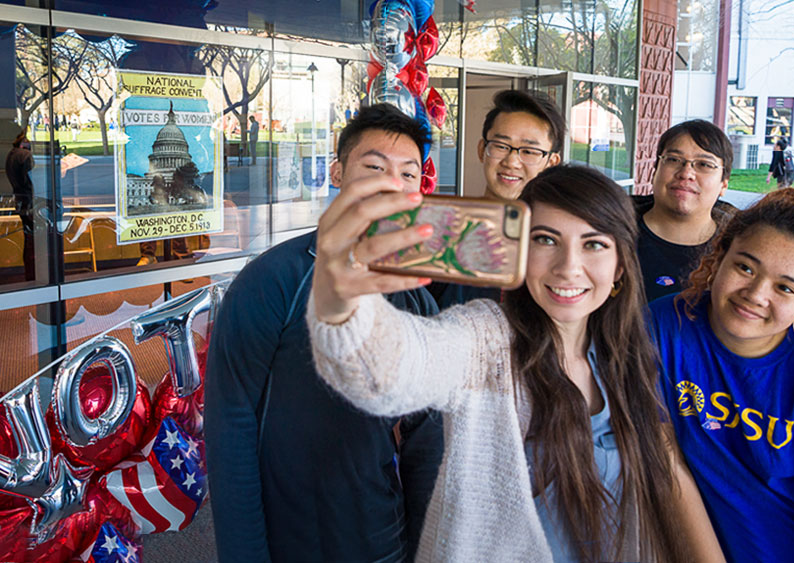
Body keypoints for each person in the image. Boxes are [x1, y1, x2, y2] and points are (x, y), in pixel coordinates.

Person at [307, 164, 723, 562]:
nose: (568, 267)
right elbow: (388, 370)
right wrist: (339, 301)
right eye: (546, 240)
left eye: (593, 244)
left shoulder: (627, 355)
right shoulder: (486, 340)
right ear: (519, 253)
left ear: (619, 268)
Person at [204, 104, 444, 562]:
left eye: (408, 174)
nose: (390, 184)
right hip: (288, 541)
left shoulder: (414, 296)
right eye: (374, 167)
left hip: (381, 538)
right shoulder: (272, 281)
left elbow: (428, 439)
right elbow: (230, 426)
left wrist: (424, 547)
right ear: (337, 171)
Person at [649, 187, 794, 561]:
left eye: (785, 288)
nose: (755, 294)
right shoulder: (661, 326)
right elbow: (665, 460)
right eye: (745, 267)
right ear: (719, 256)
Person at [429, 89, 565, 307]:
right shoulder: (444, 232)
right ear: (482, 150)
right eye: (501, 146)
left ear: (551, 163)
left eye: (529, 151)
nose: (512, 161)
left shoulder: (559, 246)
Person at [634, 119, 736, 302]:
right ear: (654, 172)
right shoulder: (612, 232)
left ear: (724, 184)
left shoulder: (737, 250)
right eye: (673, 160)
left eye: (704, 164)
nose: (686, 173)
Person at [5, 130, 35, 281]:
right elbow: (32, 179)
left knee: (28, 239)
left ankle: (30, 274)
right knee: (35, 242)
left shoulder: (11, 154)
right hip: (30, 203)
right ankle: (34, 275)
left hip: (20, 201)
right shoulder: (25, 156)